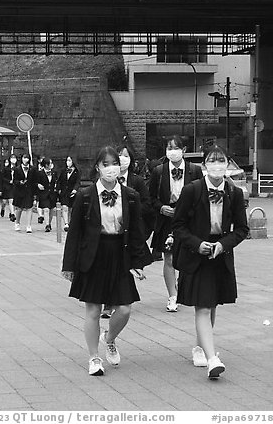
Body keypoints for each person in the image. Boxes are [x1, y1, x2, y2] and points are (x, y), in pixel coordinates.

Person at [61, 146, 151, 376]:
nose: (111, 168)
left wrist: (138, 261)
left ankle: (109, 338)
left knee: (124, 309)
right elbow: (75, 233)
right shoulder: (84, 196)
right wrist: (69, 266)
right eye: (106, 164)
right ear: (98, 168)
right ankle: (94, 357)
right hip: (93, 254)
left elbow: (137, 230)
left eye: (114, 163)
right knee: (93, 309)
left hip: (119, 253)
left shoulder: (130, 195)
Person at [172, 145, 248, 379]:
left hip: (219, 253)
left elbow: (242, 229)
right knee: (203, 306)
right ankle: (212, 358)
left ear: (228, 165)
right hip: (197, 254)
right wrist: (197, 244)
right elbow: (178, 225)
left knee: (212, 304)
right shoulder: (192, 190)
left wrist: (223, 245)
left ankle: (200, 346)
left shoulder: (234, 192)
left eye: (221, 160)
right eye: (212, 161)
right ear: (205, 165)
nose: (217, 165)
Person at [149, 135, 203, 312]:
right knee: (169, 256)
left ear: (184, 150)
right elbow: (151, 198)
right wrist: (162, 207)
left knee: (186, 255)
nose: (172, 151)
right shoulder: (159, 171)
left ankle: (183, 289)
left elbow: (201, 196)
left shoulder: (194, 170)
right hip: (167, 218)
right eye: (169, 148)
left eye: (175, 148)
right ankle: (173, 295)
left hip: (188, 219)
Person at [101, 144, 154, 319]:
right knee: (109, 268)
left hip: (129, 232)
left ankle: (121, 298)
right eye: (119, 156)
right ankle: (108, 303)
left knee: (123, 267)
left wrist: (130, 209)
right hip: (108, 234)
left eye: (125, 156)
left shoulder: (137, 181)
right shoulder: (103, 180)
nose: (122, 160)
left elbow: (147, 204)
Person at [13, 153, 36, 233]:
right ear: (21, 159)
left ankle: (28, 226)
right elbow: (14, 180)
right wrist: (20, 182)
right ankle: (17, 223)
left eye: (27, 158)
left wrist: (35, 193)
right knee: (19, 208)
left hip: (29, 191)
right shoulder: (17, 169)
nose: (25, 159)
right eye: (24, 158)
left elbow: (34, 181)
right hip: (19, 191)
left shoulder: (32, 169)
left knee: (29, 208)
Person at [57, 156, 81, 232]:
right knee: (65, 207)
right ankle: (66, 223)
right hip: (64, 192)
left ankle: (71, 223)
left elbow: (78, 182)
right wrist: (58, 189)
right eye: (67, 160)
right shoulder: (63, 171)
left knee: (71, 209)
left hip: (72, 193)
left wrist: (75, 190)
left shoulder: (77, 171)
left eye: (69, 160)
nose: (68, 162)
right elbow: (59, 181)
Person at [36, 157, 58, 232]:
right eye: (50, 163)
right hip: (43, 194)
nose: (51, 165)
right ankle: (47, 224)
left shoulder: (54, 172)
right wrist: (38, 185)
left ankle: (49, 223)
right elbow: (35, 181)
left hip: (52, 194)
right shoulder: (40, 173)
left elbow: (57, 181)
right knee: (46, 209)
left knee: (51, 209)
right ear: (46, 165)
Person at [0, 155, 17, 222]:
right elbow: (2, 178)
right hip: (6, 187)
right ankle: (3, 208)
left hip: (14, 186)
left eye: (15, 158)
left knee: (12, 200)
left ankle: (12, 214)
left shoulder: (17, 168)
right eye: (12, 158)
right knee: (4, 201)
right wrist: (9, 181)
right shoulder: (5, 169)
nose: (13, 159)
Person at [36, 156, 45, 225]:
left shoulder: (48, 167)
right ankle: (40, 215)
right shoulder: (35, 168)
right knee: (38, 200)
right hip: (38, 186)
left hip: (46, 186)